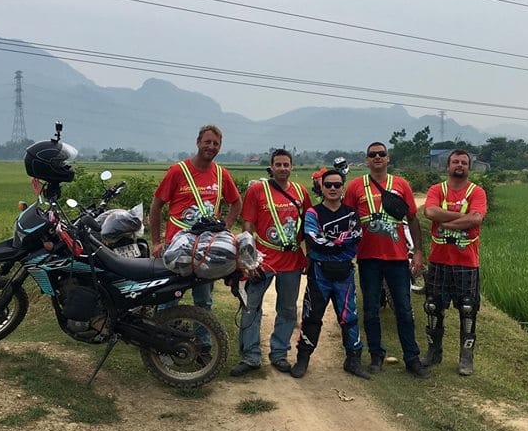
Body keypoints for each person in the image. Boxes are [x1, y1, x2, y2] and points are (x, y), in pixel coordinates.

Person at [344, 141, 430, 378]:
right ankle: (376, 355)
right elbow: (347, 220)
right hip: (368, 257)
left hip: (397, 257)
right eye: (373, 155)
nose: (378, 157)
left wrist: (419, 253)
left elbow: (412, 219)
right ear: (367, 160)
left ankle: (411, 358)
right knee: (371, 309)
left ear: (388, 158)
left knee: (404, 309)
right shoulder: (355, 187)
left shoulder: (400, 184)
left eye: (382, 154)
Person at [231, 149, 311, 376]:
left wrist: (309, 256)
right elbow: (247, 226)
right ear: (271, 167)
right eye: (279, 164)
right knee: (250, 308)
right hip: (263, 262)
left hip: (292, 261)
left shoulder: (300, 192)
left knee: (287, 309)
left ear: (292, 167)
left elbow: (308, 226)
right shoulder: (258, 190)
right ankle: (250, 356)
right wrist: (249, 260)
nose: (283, 168)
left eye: (287, 164)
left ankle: (279, 354)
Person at [150, 125, 242, 316]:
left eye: (216, 144)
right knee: (168, 297)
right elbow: (156, 205)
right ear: (198, 142)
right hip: (177, 248)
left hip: (206, 249)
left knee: (204, 301)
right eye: (207, 142)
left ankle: (204, 341)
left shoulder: (221, 174)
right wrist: (157, 242)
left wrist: (225, 227)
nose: (211, 146)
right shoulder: (178, 171)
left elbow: (236, 202)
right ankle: (161, 337)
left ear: (220, 147)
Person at [292, 168, 367, 379]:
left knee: (349, 318)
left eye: (337, 185)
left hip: (344, 274)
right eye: (328, 185)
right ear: (321, 188)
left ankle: (353, 359)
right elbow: (313, 240)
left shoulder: (351, 213)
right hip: (319, 273)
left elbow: (357, 237)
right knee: (312, 316)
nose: (333, 189)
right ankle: (303, 359)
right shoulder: (312, 213)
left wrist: (331, 242)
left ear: (343, 187)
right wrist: (341, 241)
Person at [421, 149, 487, 375]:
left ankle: (466, 357)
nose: (459, 165)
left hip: (467, 262)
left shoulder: (476, 192)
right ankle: (433, 352)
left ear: (469, 167)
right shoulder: (436, 189)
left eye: (464, 162)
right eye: (455, 162)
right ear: (447, 166)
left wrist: (446, 222)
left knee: (468, 309)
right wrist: (463, 220)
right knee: (432, 306)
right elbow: (430, 211)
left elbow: (477, 218)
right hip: (439, 261)